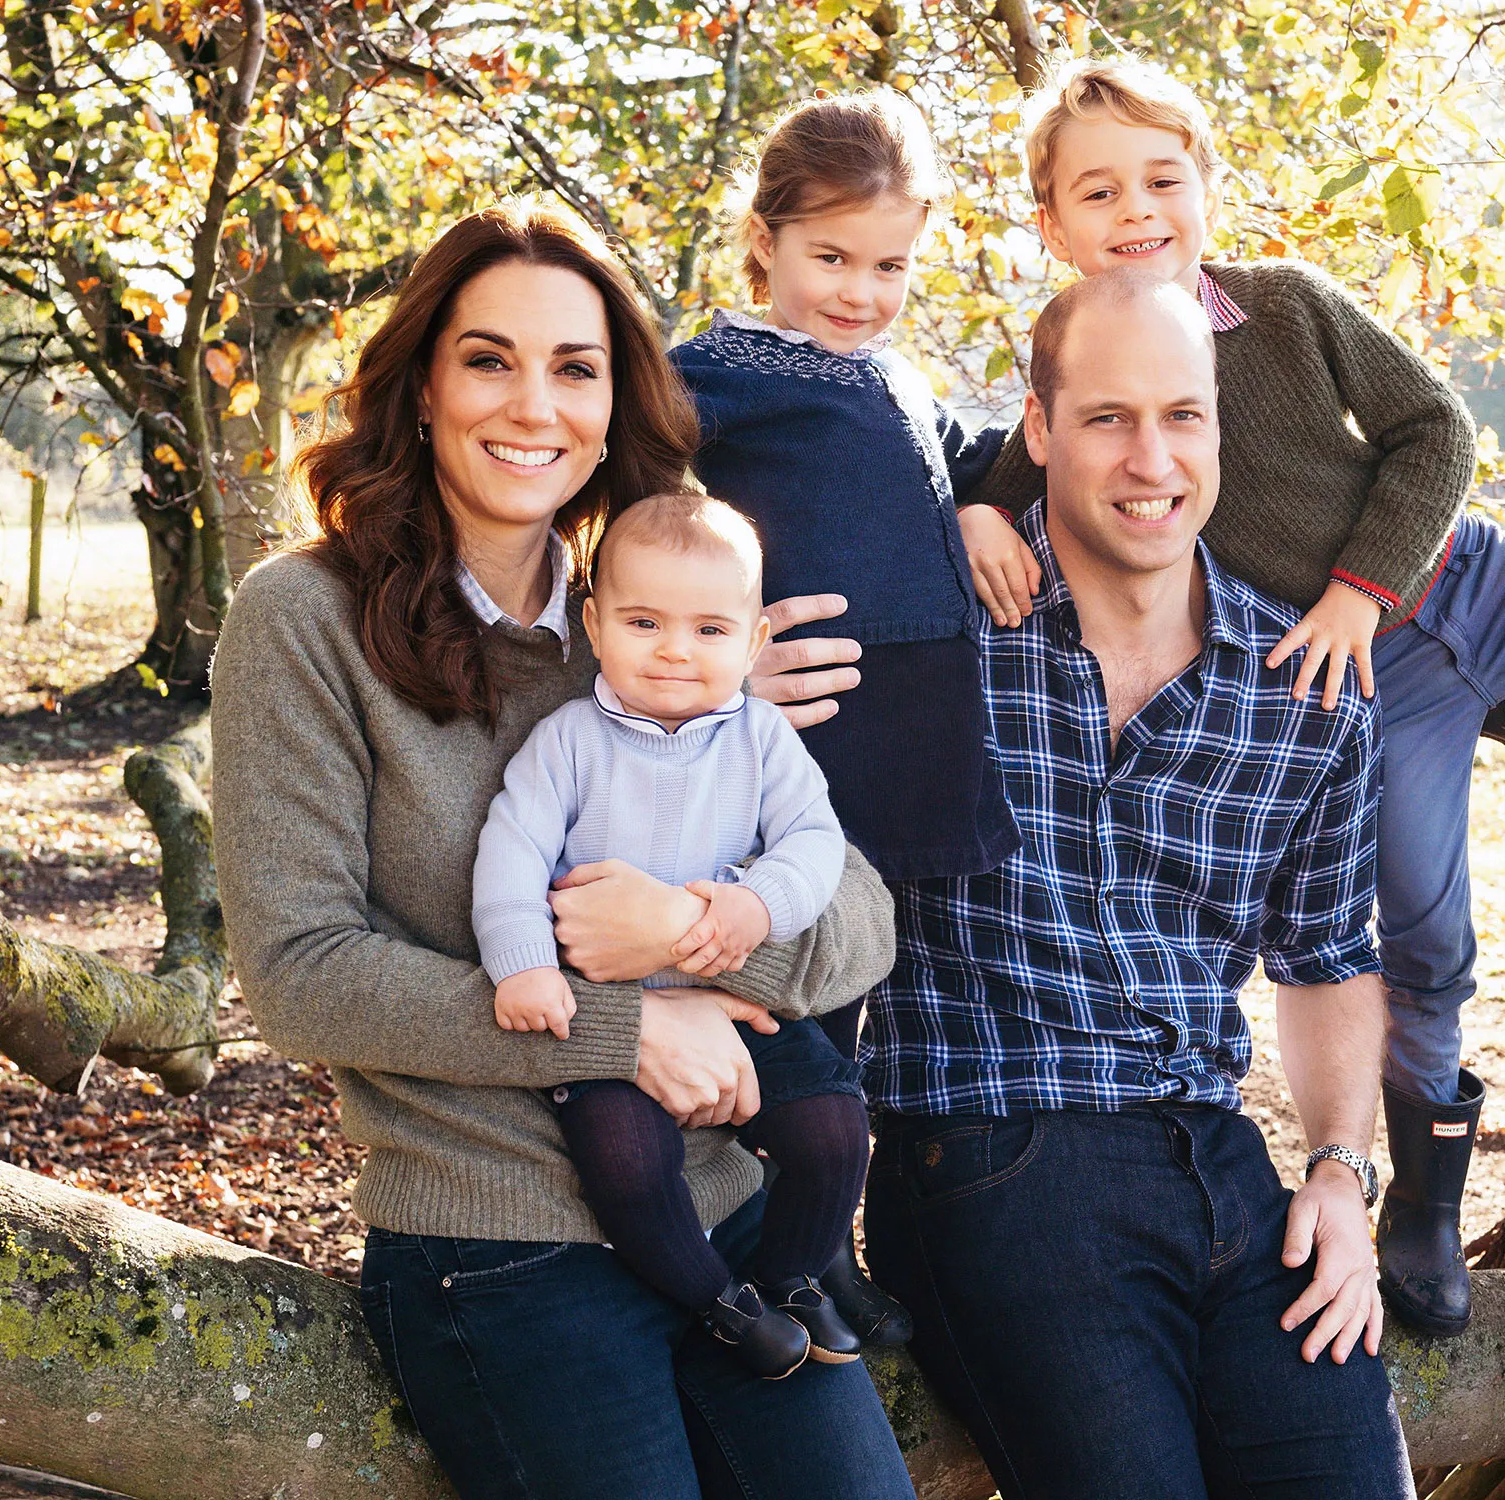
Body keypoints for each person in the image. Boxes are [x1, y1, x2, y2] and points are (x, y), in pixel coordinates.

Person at [959, 56, 1505, 1336]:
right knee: (1423, 938)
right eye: (1097, 192)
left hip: (1468, 581)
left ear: (1206, 187)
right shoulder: (1084, 368)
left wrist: (1354, 585)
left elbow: (1434, 429)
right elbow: (1019, 467)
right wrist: (969, 514)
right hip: (1368, 687)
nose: (1137, 211)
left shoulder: (1283, 307)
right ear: (1052, 225)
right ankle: (1425, 1216)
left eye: (1163, 179)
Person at [210, 197, 916, 1500]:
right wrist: (627, 1028)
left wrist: (703, 934)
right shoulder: (303, 619)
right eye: (489, 358)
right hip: (498, 1243)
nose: (533, 405)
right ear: (421, 387)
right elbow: (301, 973)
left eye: (574, 368)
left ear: (615, 404)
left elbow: (862, 916)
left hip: (728, 1209)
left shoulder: (659, 616)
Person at [862, 269, 1417, 1499]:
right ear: (1041, 431)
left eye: (1181, 415)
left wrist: (1338, 1167)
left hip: (1219, 1162)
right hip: (990, 1146)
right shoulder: (934, 646)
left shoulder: (1303, 691)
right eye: (1107, 418)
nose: (1150, 457)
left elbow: (1325, 958)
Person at [668, 89, 1019, 1341]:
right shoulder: (715, 373)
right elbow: (622, 507)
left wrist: (979, 503)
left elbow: (968, 451)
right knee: (793, 998)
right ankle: (783, 1244)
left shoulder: (894, 372)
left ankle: (824, 1242)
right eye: (829, 258)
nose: (860, 292)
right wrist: (712, 653)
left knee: (856, 1001)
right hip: (811, 736)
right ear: (763, 240)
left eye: (889, 266)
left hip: (915, 736)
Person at [473, 492, 870, 1378]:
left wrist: (755, 906)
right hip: (608, 1018)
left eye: (709, 629)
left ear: (755, 641)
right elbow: (510, 851)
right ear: (595, 623)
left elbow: (814, 844)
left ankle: (793, 1276)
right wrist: (524, 965)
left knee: (834, 1127)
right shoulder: (567, 741)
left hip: (730, 1003)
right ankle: (717, 1302)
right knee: (625, 1160)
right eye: (643, 621)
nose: (675, 650)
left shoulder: (763, 740)